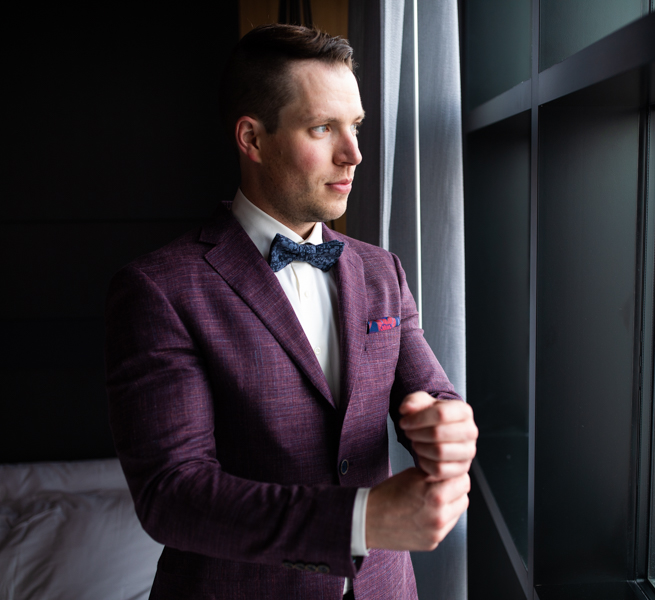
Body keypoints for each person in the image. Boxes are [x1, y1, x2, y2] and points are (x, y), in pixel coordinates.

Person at [105, 23, 477, 600]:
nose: (354, 153)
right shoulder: (158, 289)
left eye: (355, 126)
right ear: (252, 139)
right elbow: (172, 495)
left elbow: (429, 396)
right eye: (322, 127)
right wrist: (362, 520)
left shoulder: (384, 270)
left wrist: (446, 425)